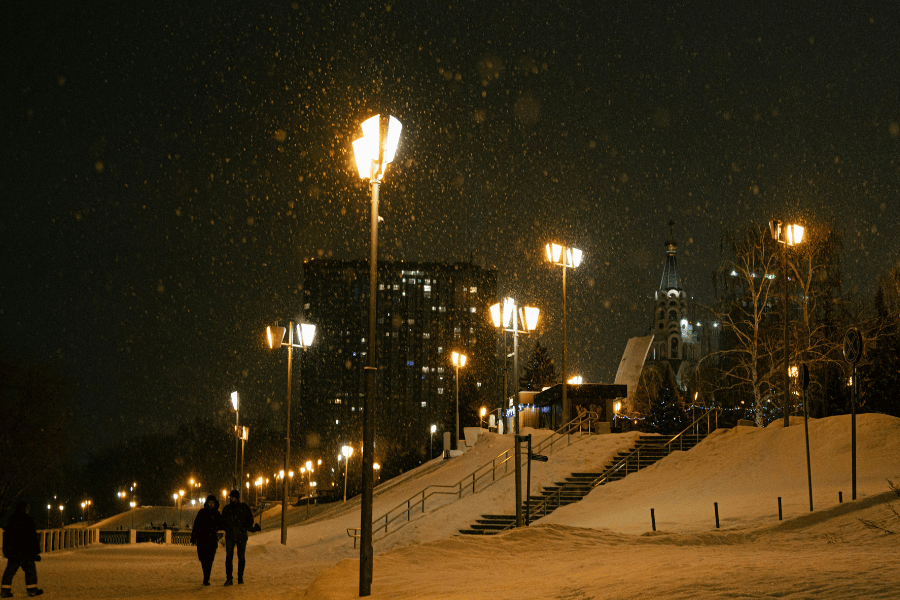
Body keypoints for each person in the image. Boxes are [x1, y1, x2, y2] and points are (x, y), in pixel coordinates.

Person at [1, 502, 43, 597]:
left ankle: (5, 590)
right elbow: (32, 537)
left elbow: (7, 536)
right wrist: (35, 552)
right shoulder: (28, 521)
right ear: (25, 509)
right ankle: (32, 589)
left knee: (9, 571)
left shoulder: (11, 521)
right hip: (26, 551)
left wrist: (6, 550)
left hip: (13, 551)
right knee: (30, 570)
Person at [220, 489, 253, 586]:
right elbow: (223, 521)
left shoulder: (243, 508)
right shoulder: (227, 509)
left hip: (241, 536)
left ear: (237, 498)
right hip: (231, 536)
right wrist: (228, 529)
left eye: (233, 497)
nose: (231, 498)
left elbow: (250, 520)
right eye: (231, 497)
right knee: (229, 557)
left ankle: (240, 577)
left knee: (241, 557)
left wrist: (243, 528)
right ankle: (229, 578)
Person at [189, 495, 223, 586]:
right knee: (203, 558)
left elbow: (221, 524)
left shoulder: (217, 513)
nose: (211, 504)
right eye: (209, 502)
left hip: (211, 539)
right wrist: (193, 536)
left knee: (210, 559)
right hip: (202, 539)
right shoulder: (202, 512)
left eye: (212, 503)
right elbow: (196, 524)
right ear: (207, 503)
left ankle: (206, 577)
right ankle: (206, 575)